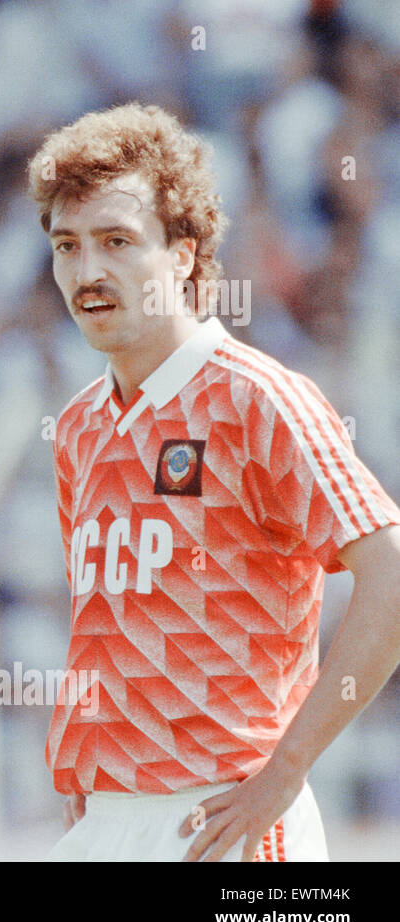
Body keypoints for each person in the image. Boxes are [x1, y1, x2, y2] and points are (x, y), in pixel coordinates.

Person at [28, 103, 400, 861]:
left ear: (185, 256)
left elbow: (392, 577)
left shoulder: (257, 397)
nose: (87, 271)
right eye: (67, 246)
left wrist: (289, 769)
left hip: (228, 819)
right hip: (106, 820)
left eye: (117, 242)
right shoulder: (77, 427)